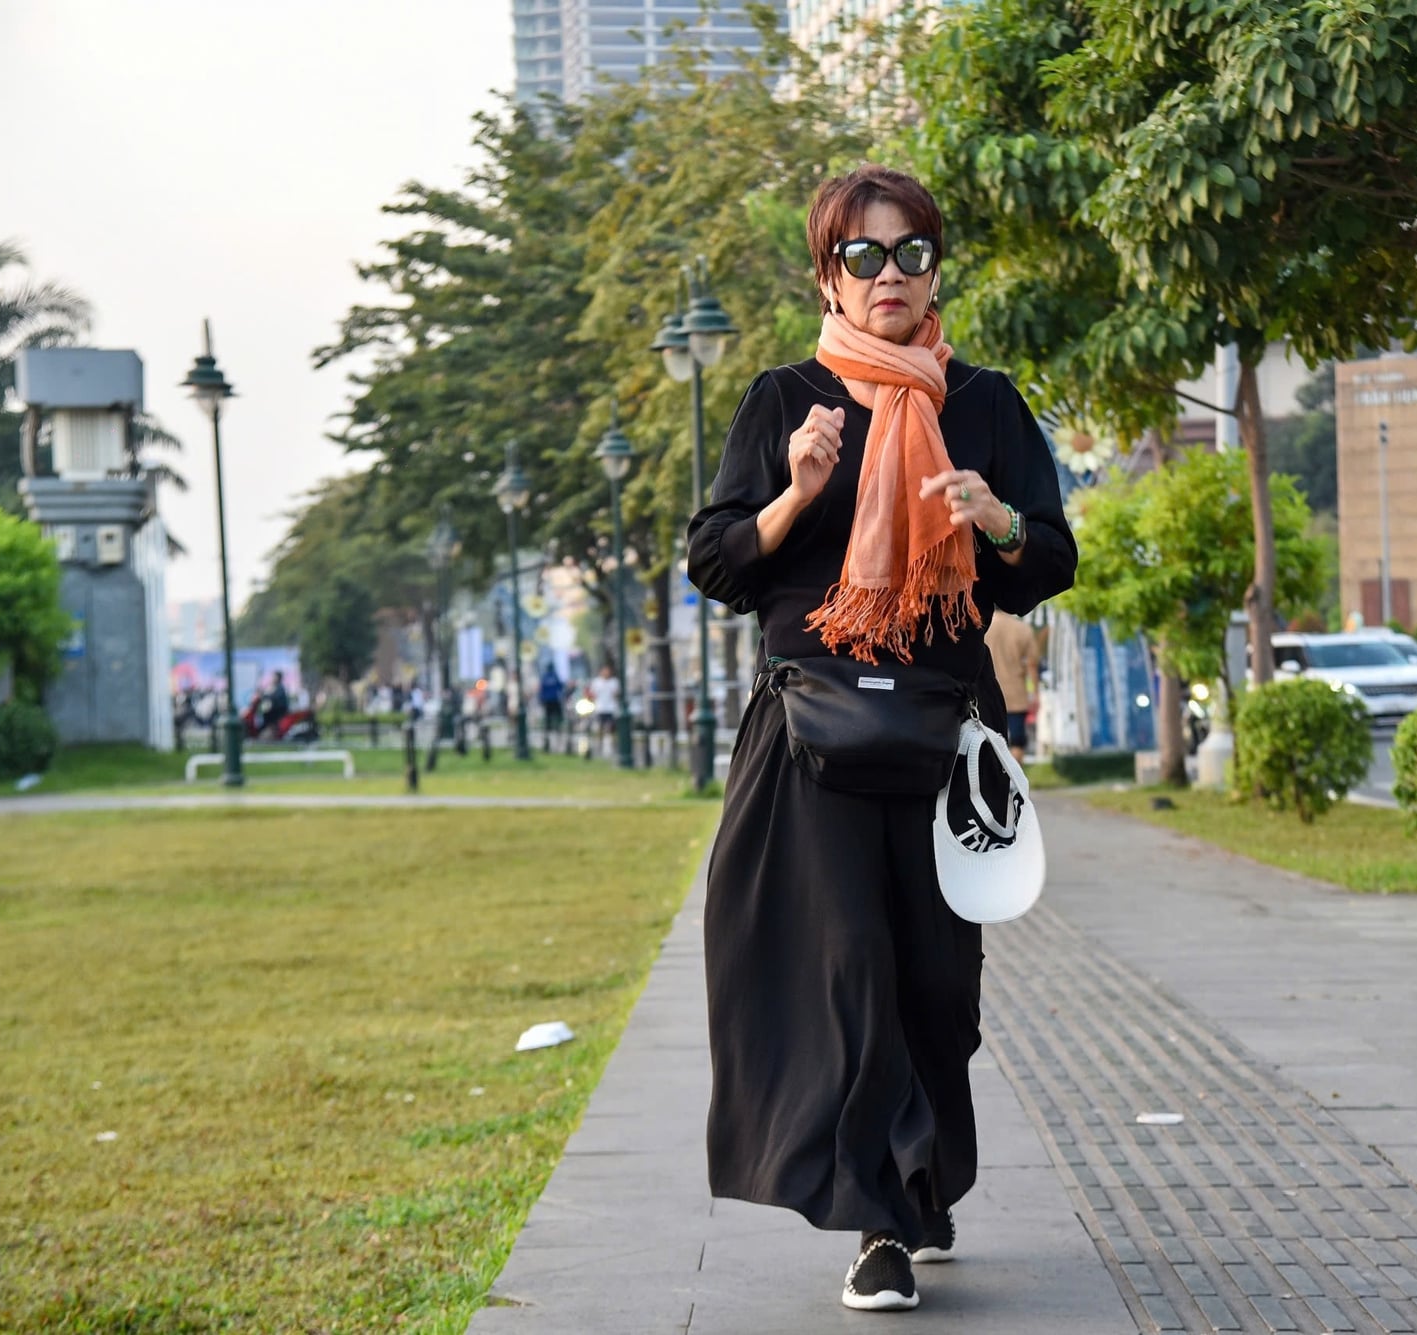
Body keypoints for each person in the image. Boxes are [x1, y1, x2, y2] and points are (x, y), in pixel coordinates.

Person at [686, 164, 1076, 1313]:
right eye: (864, 256)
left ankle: (922, 1176)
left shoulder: (987, 404)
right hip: (812, 735)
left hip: (945, 736)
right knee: (849, 970)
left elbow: (1049, 559)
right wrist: (795, 494)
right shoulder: (783, 399)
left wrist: (993, 517)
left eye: (909, 253)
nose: (889, 274)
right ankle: (878, 1226)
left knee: (939, 986)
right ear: (828, 275)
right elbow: (715, 562)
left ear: (934, 268)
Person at [984, 610, 1041, 762]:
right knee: (1017, 741)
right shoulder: (1022, 629)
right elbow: (1032, 665)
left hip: (987, 695)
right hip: (1016, 695)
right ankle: (1012, 782)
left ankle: (993, 782)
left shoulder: (983, 627)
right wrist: (1035, 694)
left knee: (988, 742)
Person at [586, 662, 620, 750]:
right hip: (600, 708)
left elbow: (616, 694)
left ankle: (613, 744)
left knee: (611, 727)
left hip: (611, 708)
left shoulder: (614, 682)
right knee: (600, 727)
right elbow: (592, 694)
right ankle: (599, 744)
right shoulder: (596, 682)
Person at [538, 660, 566, 742]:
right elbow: (560, 686)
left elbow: (541, 690)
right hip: (554, 699)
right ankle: (558, 729)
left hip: (547, 700)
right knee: (558, 716)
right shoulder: (555, 676)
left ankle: (547, 732)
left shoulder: (544, 677)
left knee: (548, 717)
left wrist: (541, 699)